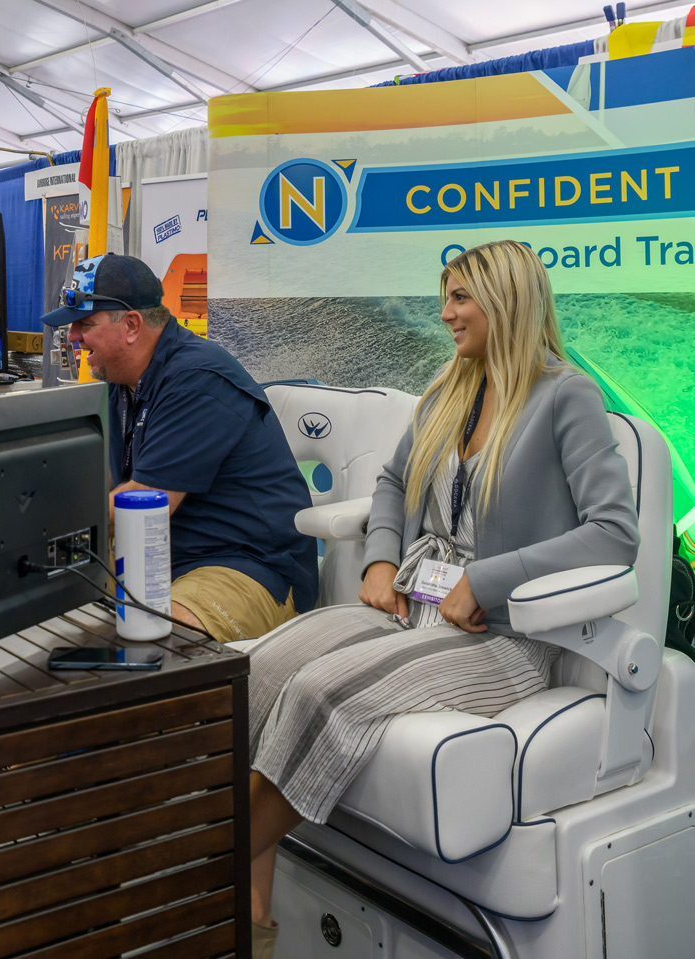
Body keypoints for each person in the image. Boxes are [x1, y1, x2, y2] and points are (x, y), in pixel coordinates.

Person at [241, 240, 639, 958]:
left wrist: (485, 580)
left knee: (324, 692)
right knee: (257, 671)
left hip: (505, 636)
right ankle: (249, 912)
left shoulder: (566, 395)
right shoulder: (454, 383)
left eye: (460, 298)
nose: (445, 312)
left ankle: (207, 873)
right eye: (445, 295)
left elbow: (613, 534)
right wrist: (382, 555)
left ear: (507, 301)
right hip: (412, 603)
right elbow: (394, 480)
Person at [41, 252, 318, 643]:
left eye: (85, 324)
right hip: (165, 557)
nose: (72, 337)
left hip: (245, 567)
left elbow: (146, 502)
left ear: (132, 325)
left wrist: (38, 528)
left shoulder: (197, 379)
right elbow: (105, 480)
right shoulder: (123, 380)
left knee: (158, 637)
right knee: (44, 602)